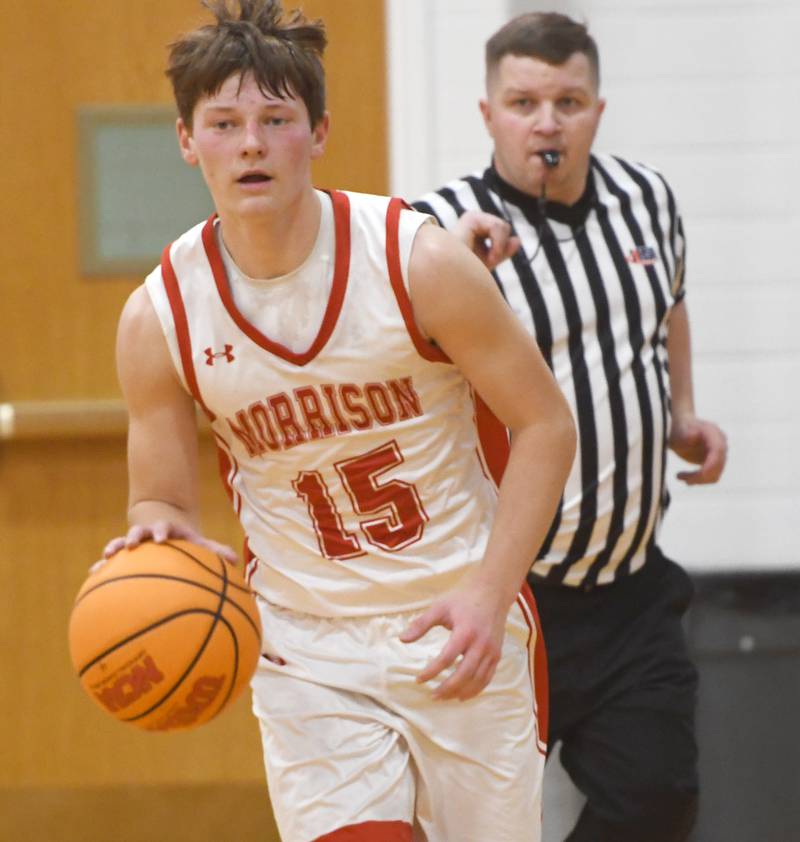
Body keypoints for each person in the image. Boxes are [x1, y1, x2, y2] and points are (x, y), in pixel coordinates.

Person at [103, 2, 576, 840]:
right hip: (308, 651)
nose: (251, 143)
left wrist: (489, 590)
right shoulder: (161, 316)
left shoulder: (417, 262)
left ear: (317, 132)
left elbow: (546, 426)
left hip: (458, 625)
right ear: (187, 139)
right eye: (224, 123)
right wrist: (156, 538)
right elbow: (164, 501)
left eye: (275, 119)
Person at [414, 12, 728, 842]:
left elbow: (670, 306)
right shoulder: (438, 230)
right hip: (515, 593)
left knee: (660, 798)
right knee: (487, 822)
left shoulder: (646, 199)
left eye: (567, 100)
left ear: (598, 108)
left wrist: (682, 412)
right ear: (488, 115)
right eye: (523, 102)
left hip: (631, 587)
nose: (546, 122)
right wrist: (451, 269)